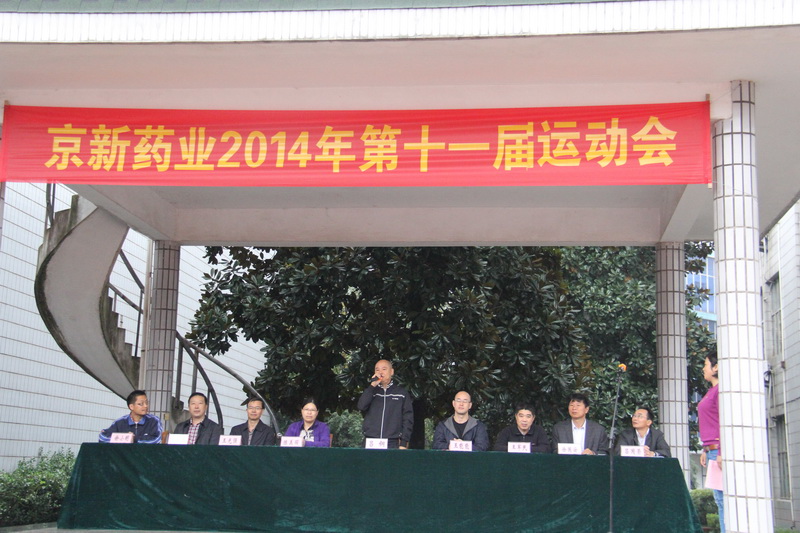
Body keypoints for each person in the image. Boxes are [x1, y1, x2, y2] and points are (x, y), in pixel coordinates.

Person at [357, 359, 413, 449]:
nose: (380, 372)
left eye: (384, 369)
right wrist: (372, 385)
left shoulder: (401, 393)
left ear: (391, 372)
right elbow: (361, 406)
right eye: (377, 370)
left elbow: (407, 418)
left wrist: (404, 442)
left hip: (392, 441)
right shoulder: (371, 391)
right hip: (371, 440)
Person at [699, 350, 724, 533]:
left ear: (716, 367)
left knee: (722, 500)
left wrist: (721, 451)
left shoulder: (720, 391)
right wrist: (705, 449)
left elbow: (724, 421)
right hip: (711, 450)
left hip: (718, 451)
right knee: (719, 499)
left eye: (706, 364)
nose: (703, 368)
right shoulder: (711, 391)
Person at [98, 390, 163, 444]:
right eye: (141, 404)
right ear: (131, 407)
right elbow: (103, 438)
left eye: (146, 403)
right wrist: (125, 438)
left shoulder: (154, 420)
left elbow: (157, 440)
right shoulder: (120, 422)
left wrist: (134, 438)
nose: (146, 406)